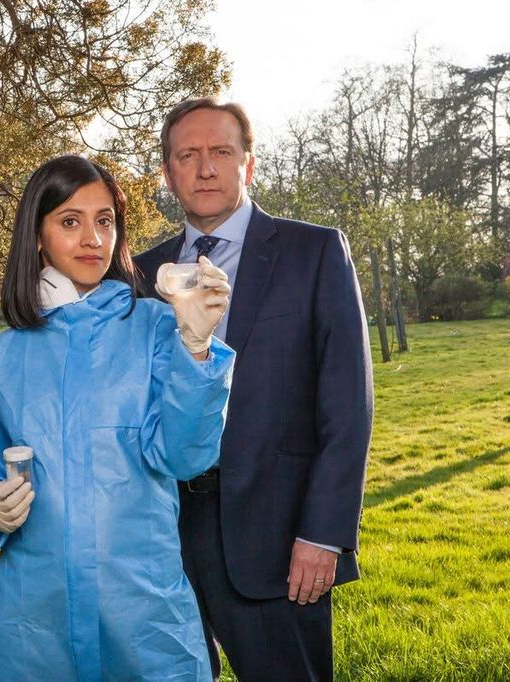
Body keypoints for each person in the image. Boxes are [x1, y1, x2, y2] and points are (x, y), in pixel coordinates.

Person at [0, 155, 236, 681]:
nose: (92, 238)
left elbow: (185, 456)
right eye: (70, 221)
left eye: (104, 221)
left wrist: (196, 348)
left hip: (144, 616)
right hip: (38, 625)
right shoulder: (0, 358)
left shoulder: (153, 326)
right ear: (38, 235)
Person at [134, 98, 373, 681]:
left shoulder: (312, 251)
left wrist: (324, 533)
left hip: (278, 536)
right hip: (163, 541)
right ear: (169, 173)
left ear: (249, 164)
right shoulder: (139, 274)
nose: (205, 168)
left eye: (221, 152)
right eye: (187, 156)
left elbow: (348, 405)